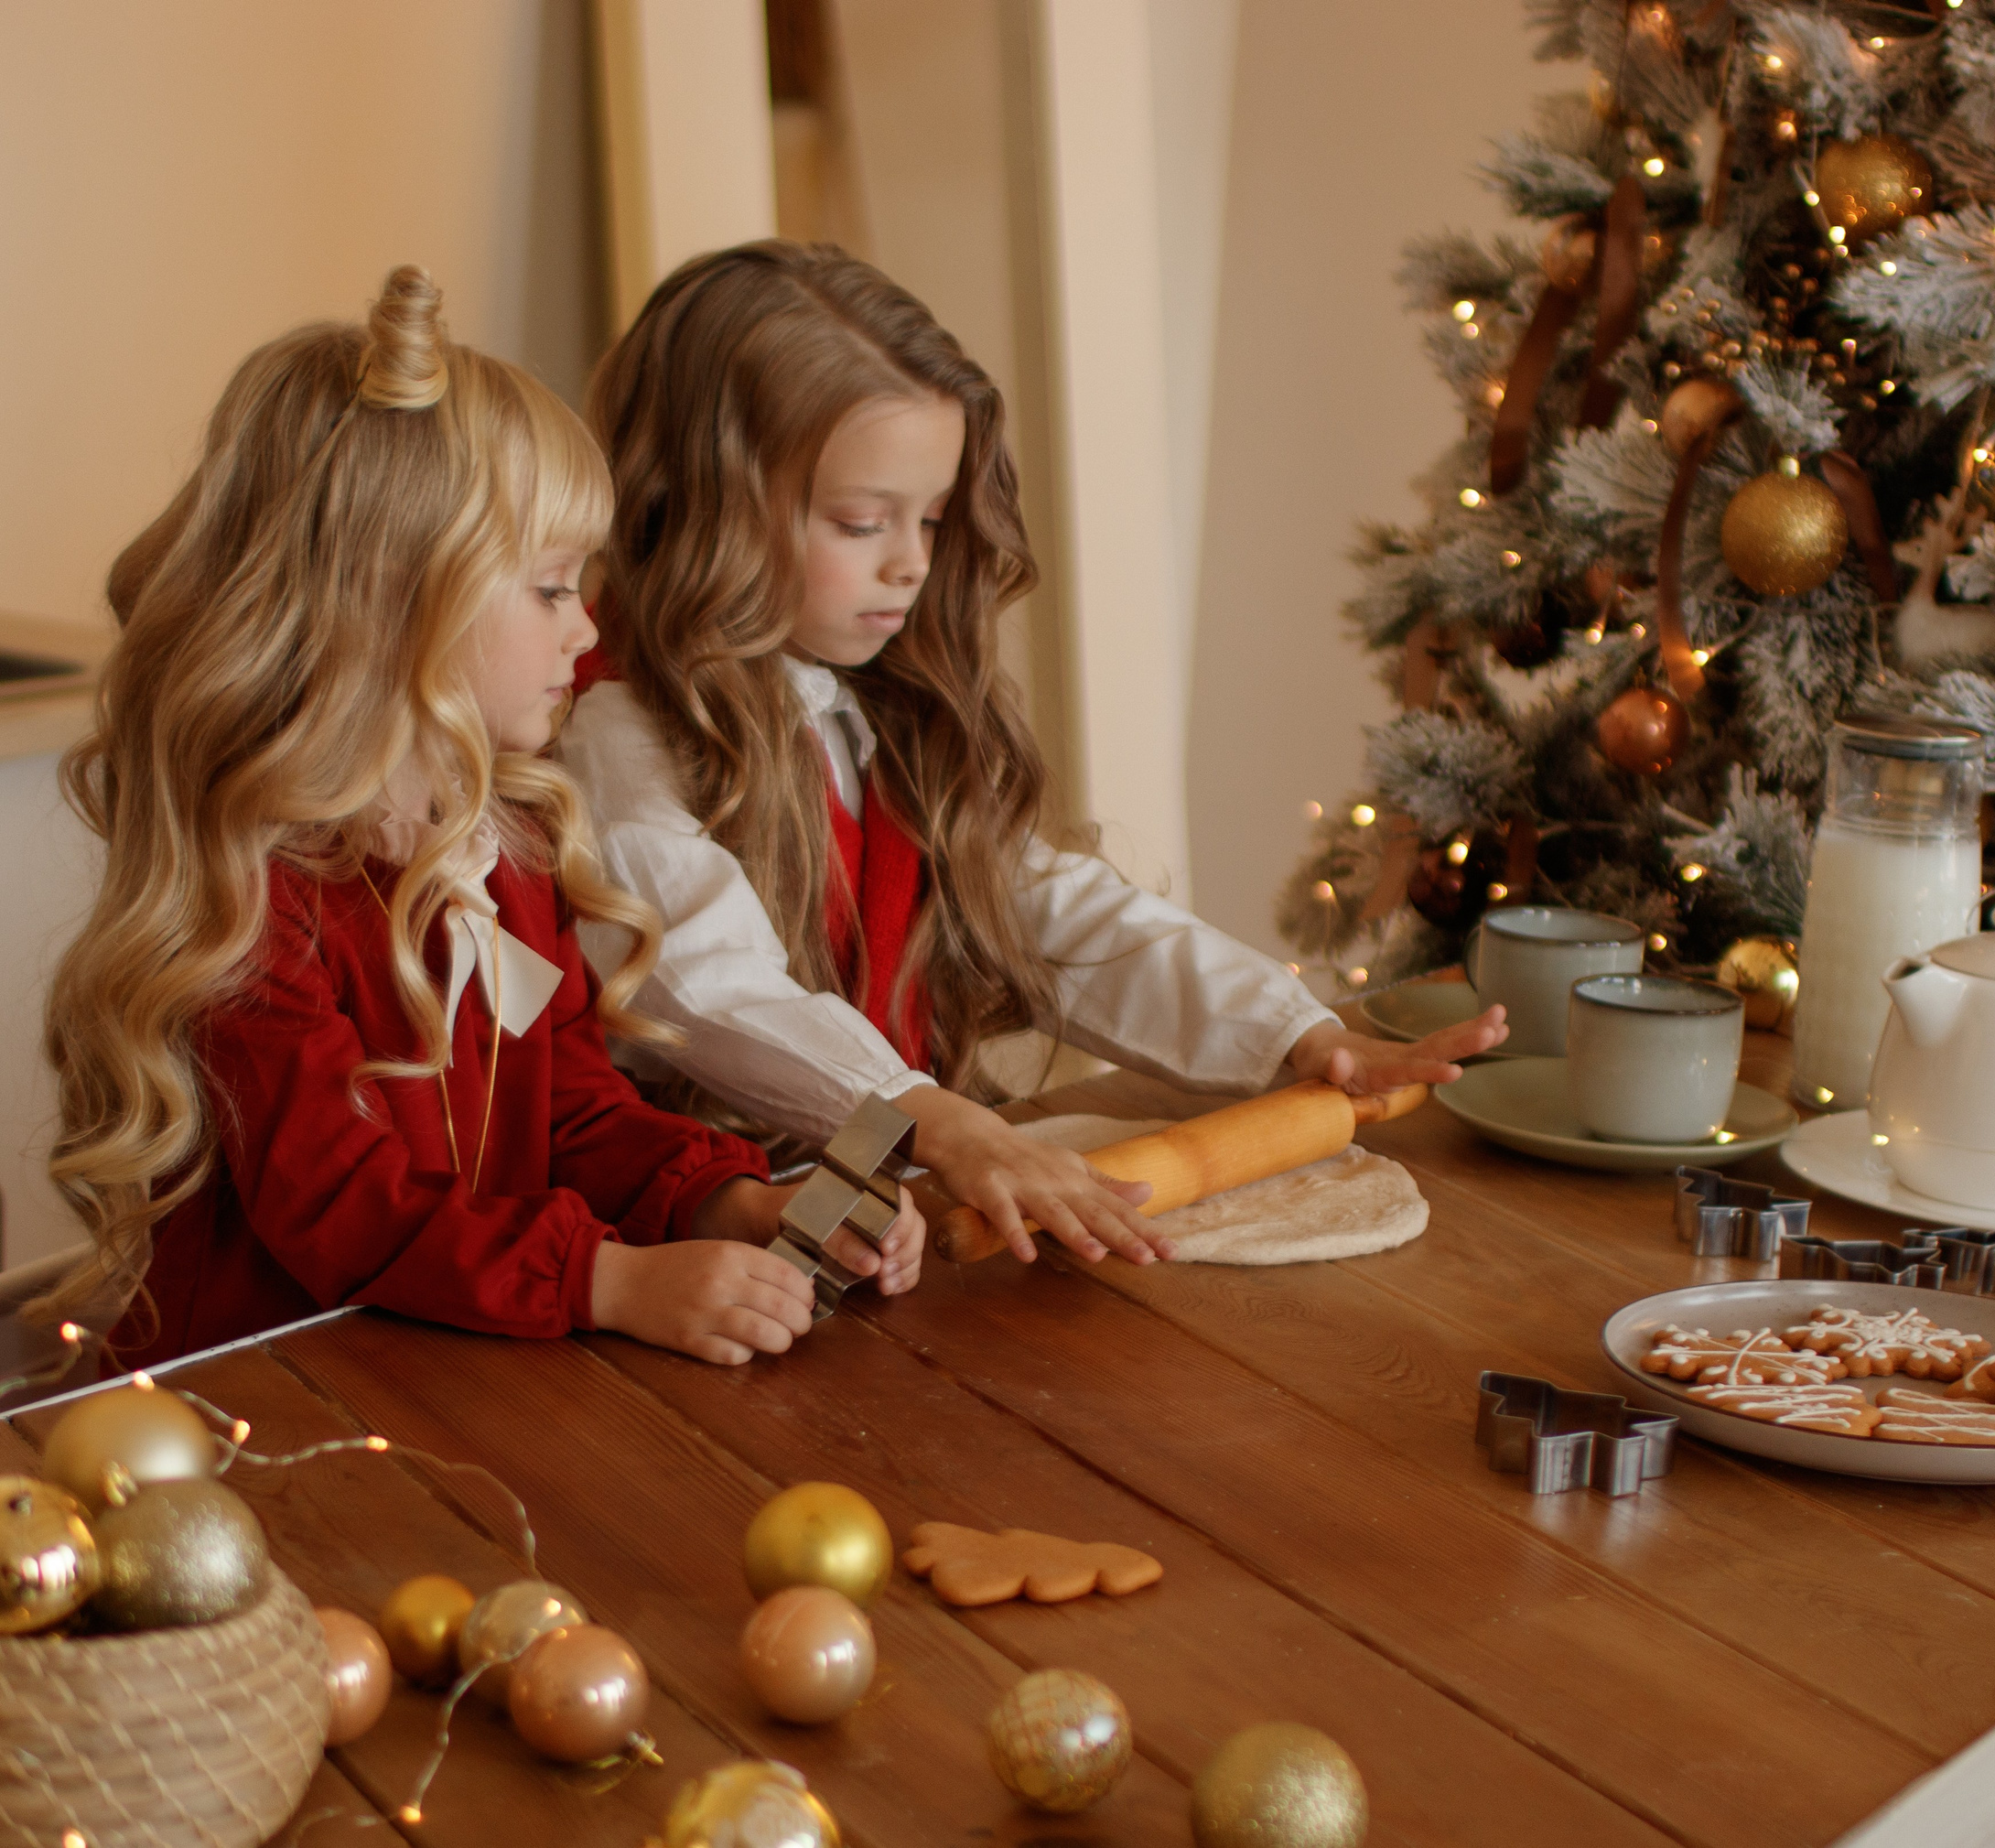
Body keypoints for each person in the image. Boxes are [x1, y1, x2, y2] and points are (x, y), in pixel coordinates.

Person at [41, 265, 922, 1371]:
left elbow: (571, 1109)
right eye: (551, 588)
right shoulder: (259, 900)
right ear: (394, 603)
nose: (585, 628)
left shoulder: (505, 848)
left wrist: (725, 1201)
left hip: (467, 1357)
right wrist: (603, 1280)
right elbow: (343, 1206)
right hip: (282, 1402)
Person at [561, 242, 1503, 1267]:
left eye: (931, 519)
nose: (912, 563)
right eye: (861, 522)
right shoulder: (619, 735)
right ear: (705, 505)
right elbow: (707, 987)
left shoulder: (877, 706)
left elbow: (1047, 911)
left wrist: (1294, 1033)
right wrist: (947, 1126)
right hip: (696, 1244)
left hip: (871, 1219)